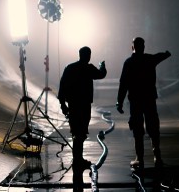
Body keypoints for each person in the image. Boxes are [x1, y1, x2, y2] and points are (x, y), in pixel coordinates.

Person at [116, 37, 171, 168]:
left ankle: (139, 159)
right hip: (149, 99)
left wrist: (120, 102)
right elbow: (162, 56)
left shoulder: (129, 63)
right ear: (143, 47)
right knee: (153, 127)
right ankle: (157, 157)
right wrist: (167, 53)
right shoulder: (150, 59)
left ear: (132, 47)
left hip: (135, 101)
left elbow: (123, 84)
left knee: (137, 128)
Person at [58, 46, 107, 169]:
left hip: (73, 105)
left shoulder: (69, 68)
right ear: (89, 56)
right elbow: (101, 74)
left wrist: (63, 105)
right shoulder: (89, 68)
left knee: (76, 132)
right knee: (81, 132)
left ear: (79, 55)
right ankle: (78, 160)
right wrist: (102, 66)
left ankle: (77, 159)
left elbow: (62, 87)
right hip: (84, 106)